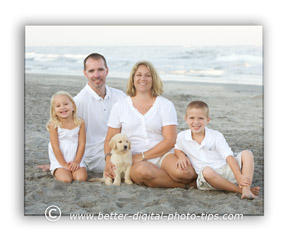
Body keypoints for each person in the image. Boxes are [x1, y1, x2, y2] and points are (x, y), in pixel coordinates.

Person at [104, 60, 197, 188]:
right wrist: (108, 160)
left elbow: (170, 140)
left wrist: (142, 156)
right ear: (133, 78)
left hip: (163, 154)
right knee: (143, 172)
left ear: (154, 79)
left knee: (185, 173)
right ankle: (184, 186)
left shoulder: (165, 105)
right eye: (139, 75)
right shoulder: (120, 106)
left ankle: (177, 179)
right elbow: (110, 138)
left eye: (148, 75)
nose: (143, 78)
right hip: (134, 160)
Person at [37, 53, 126, 172]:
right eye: (91, 71)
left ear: (107, 71)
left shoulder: (120, 96)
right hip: (94, 156)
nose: (96, 75)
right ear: (85, 73)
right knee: (130, 167)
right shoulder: (77, 103)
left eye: (100, 69)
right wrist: (57, 163)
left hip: (119, 147)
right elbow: (62, 135)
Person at [175, 100, 260, 199]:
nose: (196, 122)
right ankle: (240, 190)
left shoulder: (216, 135)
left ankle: (246, 188)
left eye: (201, 118)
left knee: (247, 153)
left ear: (208, 120)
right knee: (207, 170)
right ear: (186, 119)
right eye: (192, 118)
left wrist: (239, 177)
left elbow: (228, 156)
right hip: (208, 179)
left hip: (225, 170)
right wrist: (181, 156)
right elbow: (177, 148)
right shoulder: (182, 136)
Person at [47, 91, 87, 183]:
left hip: (76, 157)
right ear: (54, 111)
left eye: (65, 104)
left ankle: (74, 167)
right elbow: (55, 147)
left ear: (73, 106)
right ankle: (59, 170)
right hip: (60, 159)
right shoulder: (53, 125)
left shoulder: (80, 122)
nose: (62, 107)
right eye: (58, 106)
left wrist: (77, 161)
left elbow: (82, 143)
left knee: (81, 178)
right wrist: (64, 164)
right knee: (66, 179)